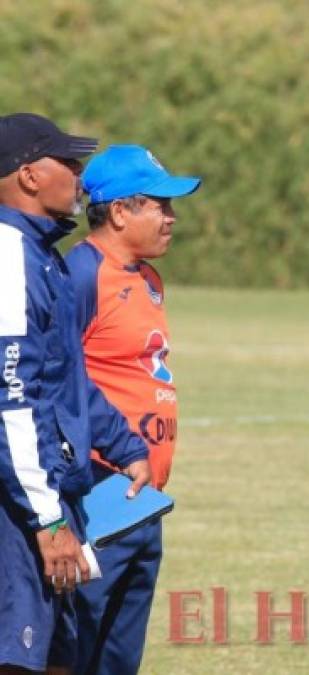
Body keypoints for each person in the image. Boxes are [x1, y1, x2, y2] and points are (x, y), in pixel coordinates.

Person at [0, 114, 150, 674]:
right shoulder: (9, 257)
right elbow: (12, 398)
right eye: (67, 162)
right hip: (18, 504)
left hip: (46, 492)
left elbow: (66, 380)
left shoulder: (40, 256)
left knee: (58, 653)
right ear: (30, 176)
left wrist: (122, 443)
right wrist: (46, 520)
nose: (79, 175)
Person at [65, 144, 200, 675]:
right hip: (94, 498)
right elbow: (51, 378)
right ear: (120, 210)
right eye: (159, 205)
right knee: (74, 654)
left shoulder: (149, 279)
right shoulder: (79, 275)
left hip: (144, 500)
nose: (171, 218)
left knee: (120, 661)